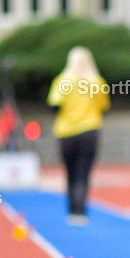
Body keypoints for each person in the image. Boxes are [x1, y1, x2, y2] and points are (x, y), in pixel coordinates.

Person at [47, 46, 110, 226]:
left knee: (70, 172)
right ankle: (81, 211)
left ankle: (72, 210)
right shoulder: (97, 82)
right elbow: (104, 108)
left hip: (66, 132)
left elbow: (54, 106)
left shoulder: (63, 81)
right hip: (89, 131)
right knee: (84, 173)